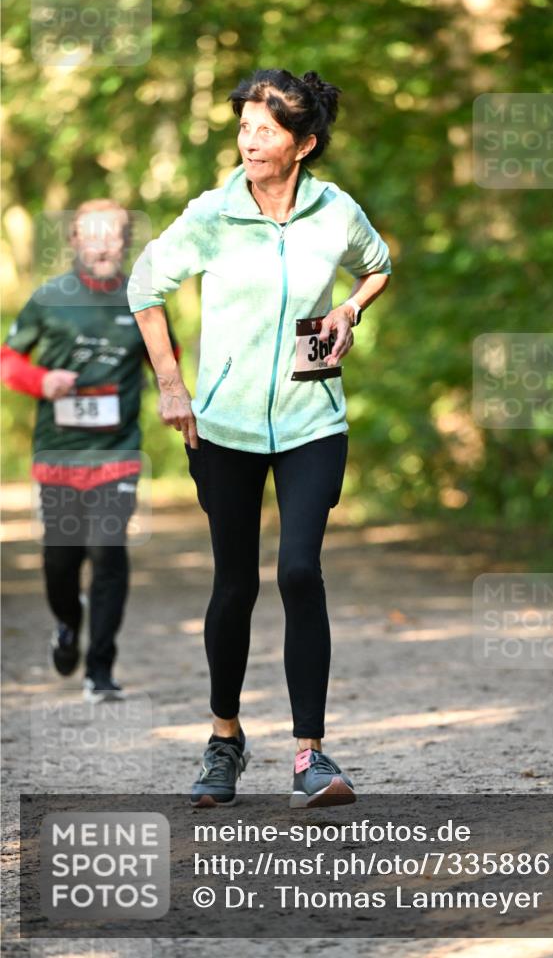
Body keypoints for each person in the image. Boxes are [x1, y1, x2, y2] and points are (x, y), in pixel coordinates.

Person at [127, 68, 392, 808]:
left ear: (303, 144)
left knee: (299, 571)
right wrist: (173, 386)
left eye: (266, 129)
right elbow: (143, 289)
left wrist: (348, 311)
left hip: (312, 419)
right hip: (225, 427)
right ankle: (224, 740)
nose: (249, 139)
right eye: (243, 125)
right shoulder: (212, 214)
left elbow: (377, 267)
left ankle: (310, 755)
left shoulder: (335, 212)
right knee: (234, 584)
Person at [1, 199, 180, 702]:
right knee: (60, 561)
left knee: (108, 552)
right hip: (58, 455)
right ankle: (65, 622)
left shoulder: (142, 299)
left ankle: (100, 670)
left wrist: (179, 399)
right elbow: (7, 359)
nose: (103, 244)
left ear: (126, 243)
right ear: (75, 242)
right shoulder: (50, 299)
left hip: (117, 454)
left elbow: (169, 361)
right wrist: (43, 381)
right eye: (92, 235)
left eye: (114, 235)